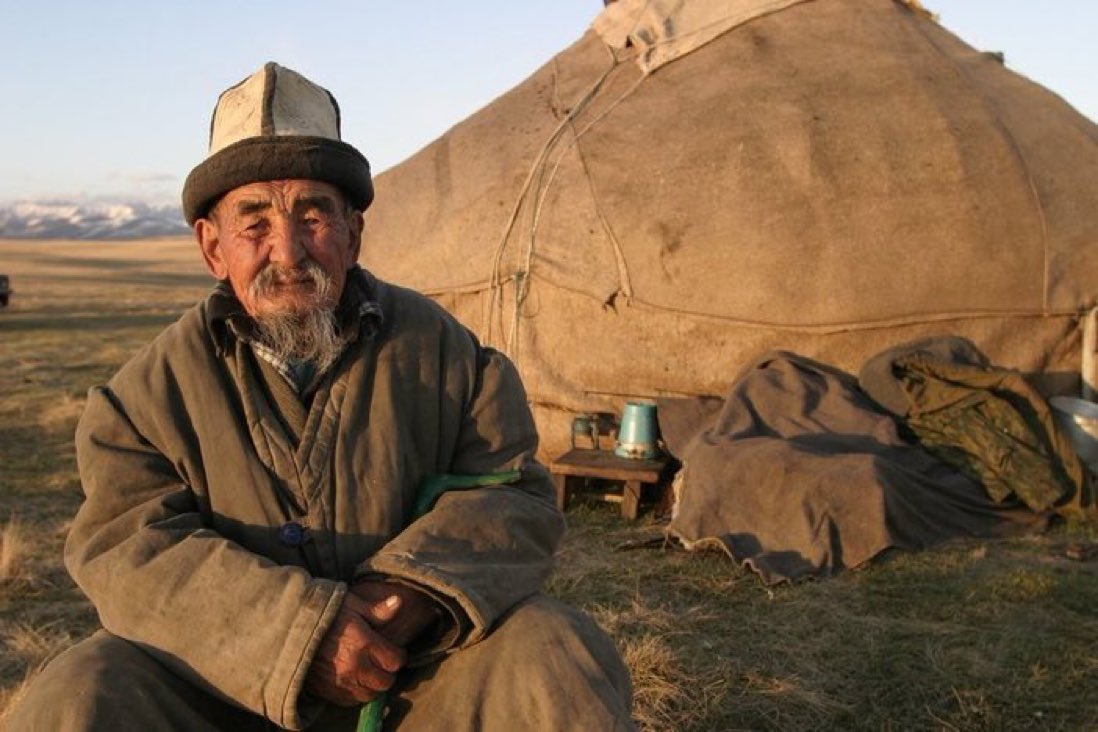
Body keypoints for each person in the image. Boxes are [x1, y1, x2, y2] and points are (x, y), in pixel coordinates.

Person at [7, 62, 634, 731]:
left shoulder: (453, 358)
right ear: (211, 247)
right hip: (220, 694)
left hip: (409, 686)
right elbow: (126, 547)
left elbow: (513, 494)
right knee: (79, 693)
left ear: (354, 233)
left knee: (552, 650)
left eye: (313, 216)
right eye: (254, 223)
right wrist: (300, 634)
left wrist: (413, 589)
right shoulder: (139, 404)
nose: (288, 251)